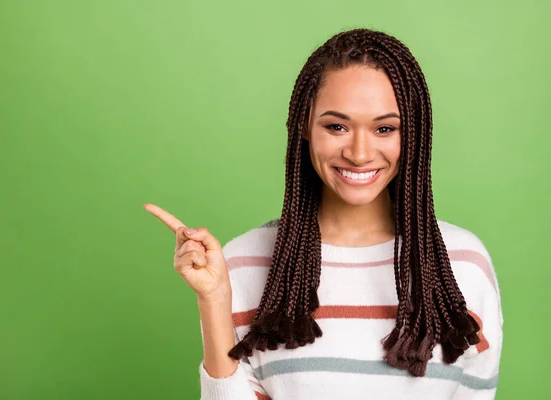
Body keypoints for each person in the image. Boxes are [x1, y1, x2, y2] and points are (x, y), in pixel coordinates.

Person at [145, 27, 503, 400]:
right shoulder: (239, 266)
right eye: (336, 126)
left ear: (412, 133)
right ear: (304, 125)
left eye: (384, 128)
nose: (360, 153)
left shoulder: (463, 265)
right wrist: (215, 298)